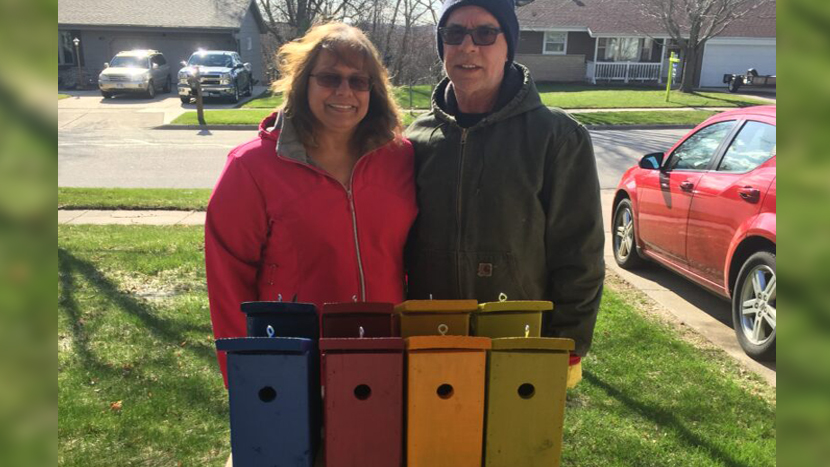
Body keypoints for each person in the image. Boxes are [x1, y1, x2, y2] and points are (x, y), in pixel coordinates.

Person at [404, 0, 605, 387]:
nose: (467, 46)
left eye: (485, 33)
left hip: (520, 338)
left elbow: (580, 252)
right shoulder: (417, 139)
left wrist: (567, 343)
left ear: (508, 46)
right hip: (431, 338)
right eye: (454, 33)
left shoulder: (557, 137)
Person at [205, 22, 417, 384]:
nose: (344, 91)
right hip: (294, 363)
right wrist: (246, 378)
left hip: (388, 354)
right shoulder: (252, 167)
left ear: (374, 90)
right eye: (329, 78)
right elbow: (228, 281)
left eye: (358, 81)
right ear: (303, 83)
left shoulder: (401, 158)